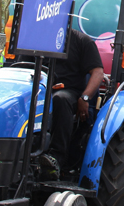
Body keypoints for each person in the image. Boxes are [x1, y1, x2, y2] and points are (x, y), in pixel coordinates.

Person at [39, 29, 104, 179]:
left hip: (69, 91)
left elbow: (98, 72)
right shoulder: (35, 37)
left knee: (60, 99)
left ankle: (55, 158)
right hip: (38, 88)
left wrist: (85, 98)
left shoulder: (82, 41)